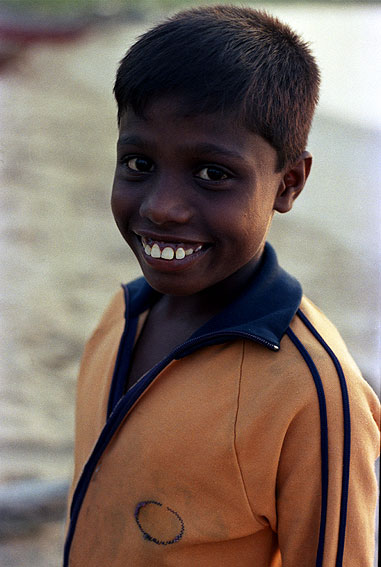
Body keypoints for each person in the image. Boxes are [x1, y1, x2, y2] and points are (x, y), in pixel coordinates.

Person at [64, 6, 380, 566]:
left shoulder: (315, 392)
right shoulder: (122, 313)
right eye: (138, 162)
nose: (162, 207)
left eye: (213, 173)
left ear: (290, 183)